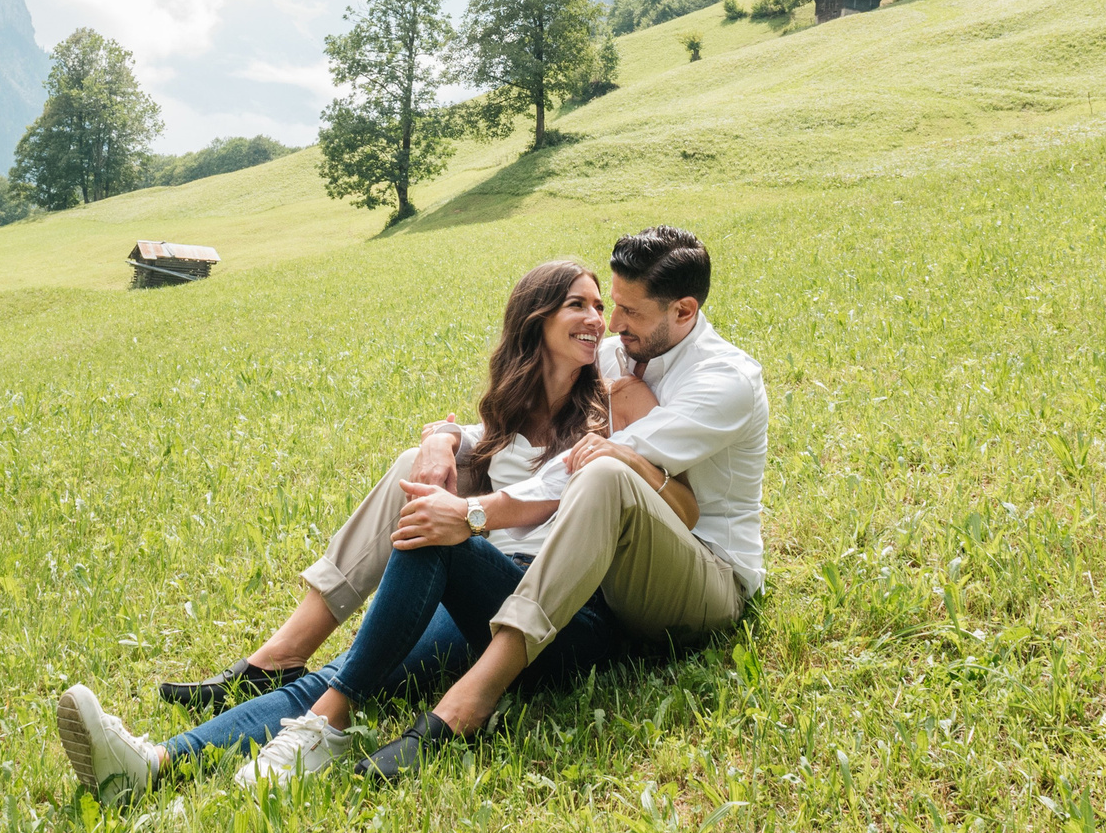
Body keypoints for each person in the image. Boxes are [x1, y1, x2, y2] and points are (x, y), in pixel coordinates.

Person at [55, 257, 692, 794]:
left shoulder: (622, 401)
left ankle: (324, 728)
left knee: (436, 531)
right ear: (536, 320)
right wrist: (439, 440)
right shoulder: (513, 408)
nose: (598, 320)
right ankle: (154, 762)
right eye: (577, 306)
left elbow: (645, 498)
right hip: (490, 597)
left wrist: (465, 514)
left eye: (599, 306)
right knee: (354, 664)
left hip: (570, 617)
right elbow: (459, 442)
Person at [355, 225, 767, 780]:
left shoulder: (724, 382)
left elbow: (575, 471)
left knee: (603, 472)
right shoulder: (625, 353)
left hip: (704, 575)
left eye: (629, 312)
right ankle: (285, 662)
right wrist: (450, 438)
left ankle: (469, 704)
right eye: (612, 305)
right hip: (608, 568)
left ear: (685, 311)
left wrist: (478, 513)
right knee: (426, 477)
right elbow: (537, 425)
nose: (612, 325)